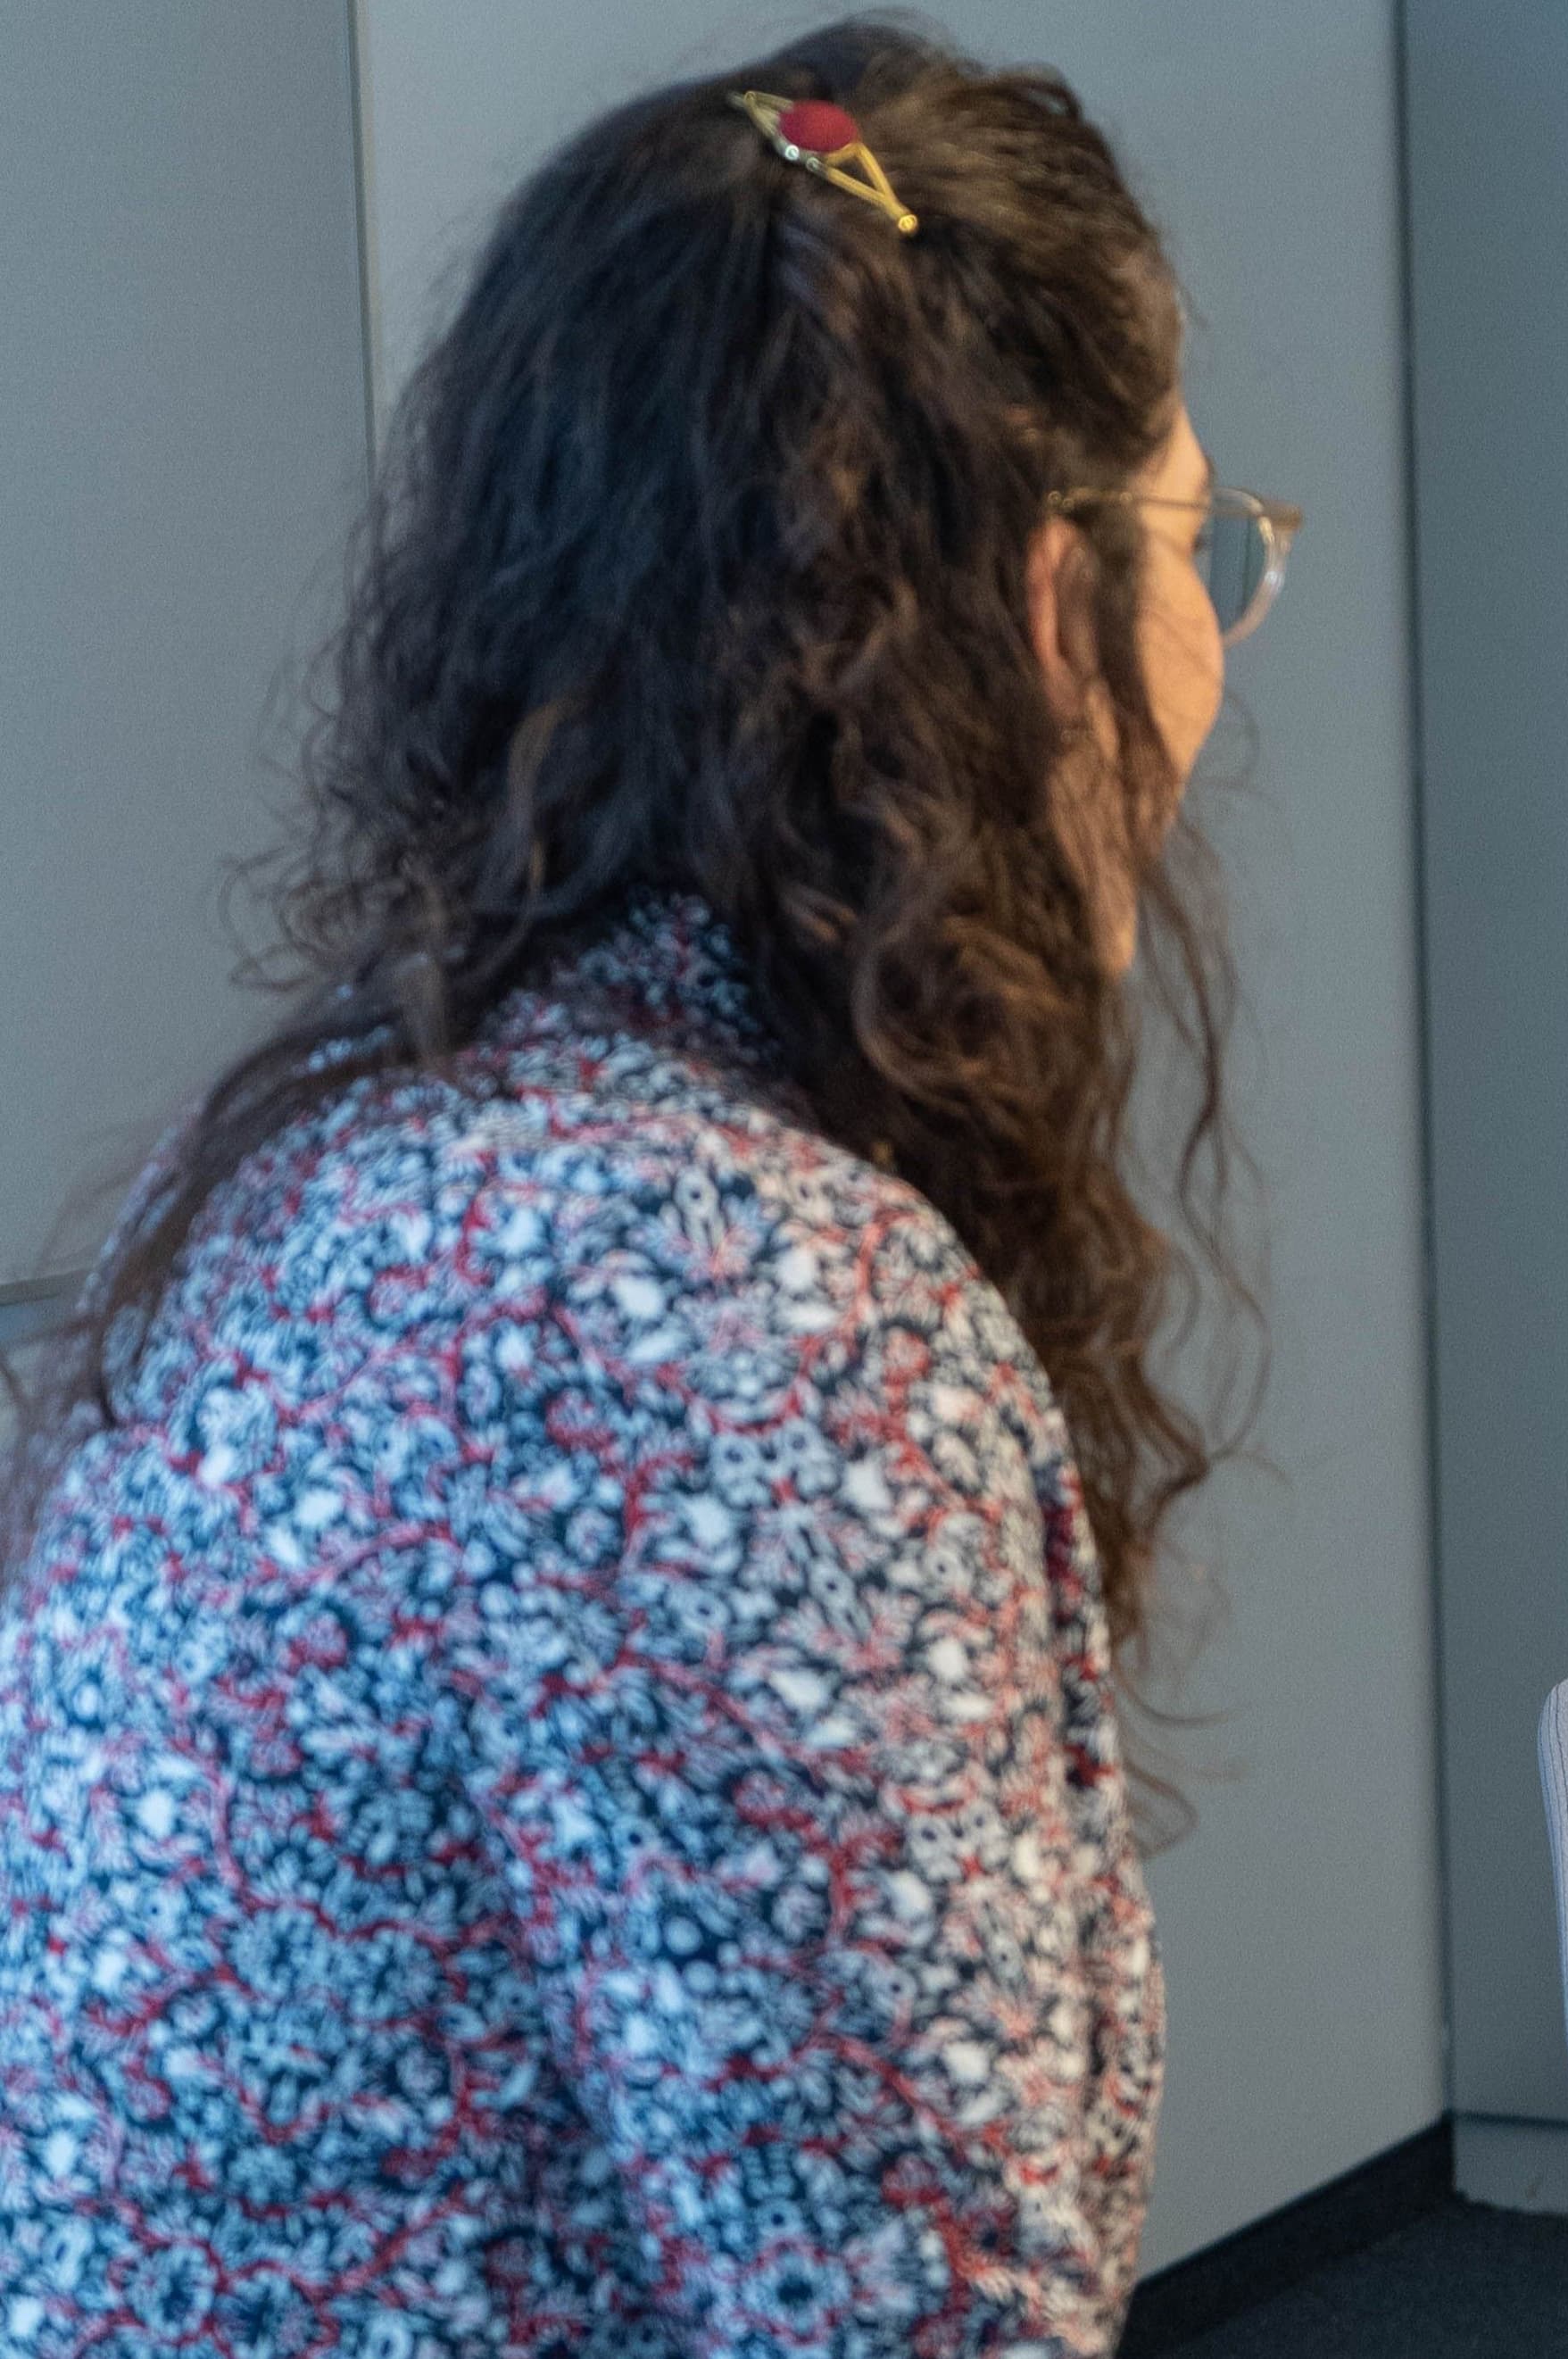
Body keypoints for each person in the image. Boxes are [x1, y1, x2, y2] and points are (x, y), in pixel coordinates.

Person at [0, 23, 1296, 2349]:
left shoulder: (317, 1149)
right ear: (1040, 609)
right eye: (1203, 546)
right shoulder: (740, 1304)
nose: (1215, 643)